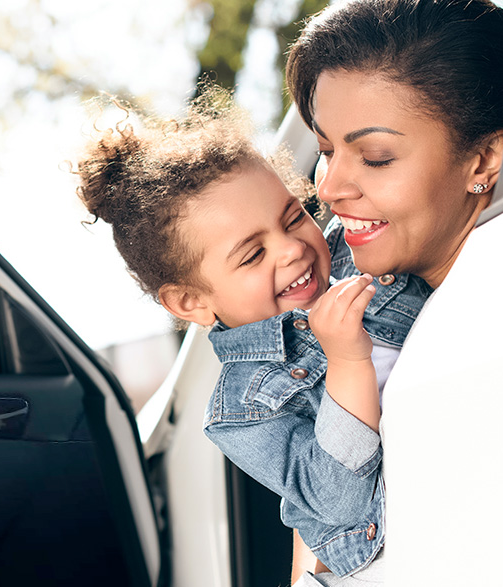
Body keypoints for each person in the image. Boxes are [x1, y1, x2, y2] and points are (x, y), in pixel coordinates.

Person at [74, 93, 430, 586]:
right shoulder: (243, 409)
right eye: (251, 256)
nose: (291, 250)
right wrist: (347, 362)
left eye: (292, 218)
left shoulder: (361, 248)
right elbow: (336, 499)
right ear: (190, 302)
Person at [280, 0, 503, 585]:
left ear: (483, 160)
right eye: (325, 150)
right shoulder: (342, 321)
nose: (329, 187)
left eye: (375, 158)